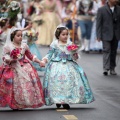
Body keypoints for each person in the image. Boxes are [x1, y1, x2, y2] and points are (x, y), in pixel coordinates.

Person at [41, 25, 94, 109]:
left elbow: (75, 57)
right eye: (63, 34)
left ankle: (65, 100)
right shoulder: (54, 44)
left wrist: (74, 53)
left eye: (66, 34)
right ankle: (57, 100)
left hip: (69, 64)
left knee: (68, 82)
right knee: (56, 83)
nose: (65, 36)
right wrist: (44, 60)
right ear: (58, 35)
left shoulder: (70, 44)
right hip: (56, 65)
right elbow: (50, 54)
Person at [0, 28, 45, 110]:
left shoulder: (24, 46)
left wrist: (40, 62)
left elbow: (30, 56)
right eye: (18, 36)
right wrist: (8, 59)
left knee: (25, 86)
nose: (20, 37)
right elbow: (4, 57)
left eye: (21, 35)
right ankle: (14, 103)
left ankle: (23, 101)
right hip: (13, 67)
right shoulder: (8, 46)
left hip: (24, 66)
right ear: (13, 37)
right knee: (14, 86)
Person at [96, 0, 120, 75]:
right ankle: (106, 68)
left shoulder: (119, 9)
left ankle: (112, 68)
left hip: (116, 34)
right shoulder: (101, 10)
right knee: (106, 50)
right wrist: (98, 35)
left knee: (113, 52)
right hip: (105, 34)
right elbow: (98, 23)